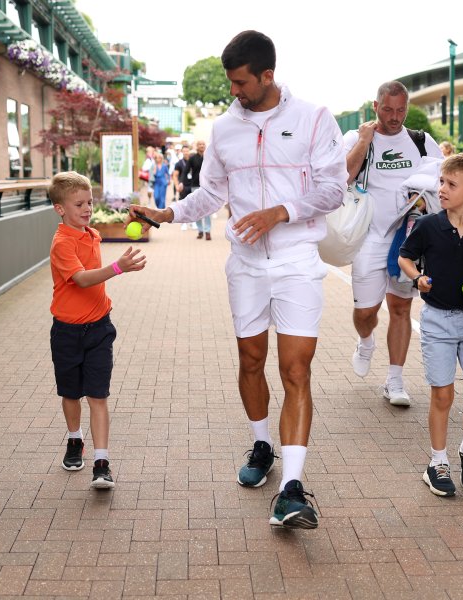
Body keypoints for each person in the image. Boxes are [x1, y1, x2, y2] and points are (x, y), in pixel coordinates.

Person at [130, 30, 346, 528]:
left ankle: (292, 489)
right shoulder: (224, 128)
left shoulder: (313, 118)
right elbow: (210, 194)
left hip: (296, 261)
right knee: (251, 359)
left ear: (268, 75)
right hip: (246, 264)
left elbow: (334, 189)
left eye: (241, 83)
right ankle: (262, 444)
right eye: (230, 83)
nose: (234, 92)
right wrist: (168, 214)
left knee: (296, 370)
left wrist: (282, 212)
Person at [398, 152, 463, 497]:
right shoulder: (428, 225)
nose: (441, 189)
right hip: (437, 321)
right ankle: (438, 461)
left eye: (450, 184)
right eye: (441, 182)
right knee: (443, 395)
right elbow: (404, 257)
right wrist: (417, 279)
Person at [343, 81, 444, 407]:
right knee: (365, 311)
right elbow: (342, 176)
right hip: (369, 237)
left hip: (409, 238)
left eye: (401, 110)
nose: (395, 117)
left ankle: (395, 380)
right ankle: (365, 340)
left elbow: (443, 183)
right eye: (388, 110)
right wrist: (364, 140)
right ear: (376, 106)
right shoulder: (357, 137)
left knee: (401, 308)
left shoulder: (420, 141)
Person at [48, 171, 146, 490]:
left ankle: (101, 463)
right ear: (60, 209)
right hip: (66, 332)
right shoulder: (62, 243)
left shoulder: (91, 233)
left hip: (100, 329)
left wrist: (139, 216)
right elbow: (83, 279)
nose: (88, 208)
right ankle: (75, 439)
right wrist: (119, 268)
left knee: (98, 395)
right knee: (70, 393)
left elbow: (115, 220)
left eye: (90, 202)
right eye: (79, 204)